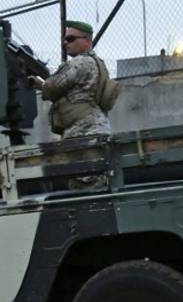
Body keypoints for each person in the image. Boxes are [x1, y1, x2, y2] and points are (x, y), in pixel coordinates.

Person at [30, 20, 118, 189]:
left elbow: (53, 87)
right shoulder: (97, 63)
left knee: (84, 185)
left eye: (70, 39)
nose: (65, 43)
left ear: (86, 40)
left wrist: (39, 83)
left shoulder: (80, 62)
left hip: (83, 132)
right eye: (65, 39)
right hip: (93, 129)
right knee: (94, 182)